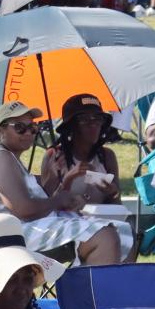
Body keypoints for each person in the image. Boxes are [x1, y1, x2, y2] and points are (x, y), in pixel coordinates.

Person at [0, 101, 125, 266]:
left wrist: (56, 183)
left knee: (122, 232)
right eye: (19, 127)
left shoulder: (11, 160)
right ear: (1, 130)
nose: (28, 133)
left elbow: (36, 204)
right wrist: (58, 200)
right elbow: (24, 210)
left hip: (24, 231)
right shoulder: (2, 159)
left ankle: (89, 281)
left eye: (32, 127)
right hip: (8, 238)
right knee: (105, 236)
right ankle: (88, 283)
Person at [39, 95, 132, 247]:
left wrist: (113, 192)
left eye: (98, 119)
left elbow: (117, 205)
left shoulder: (106, 156)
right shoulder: (54, 156)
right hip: (65, 230)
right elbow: (45, 205)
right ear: (71, 126)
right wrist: (67, 179)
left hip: (101, 224)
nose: (93, 124)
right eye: (85, 120)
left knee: (126, 233)